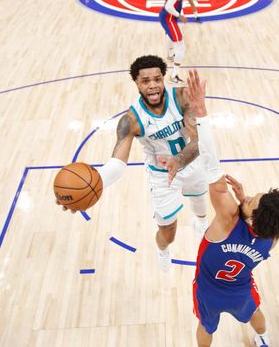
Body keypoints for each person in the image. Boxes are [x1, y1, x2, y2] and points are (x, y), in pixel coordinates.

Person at [169, 70, 279, 347]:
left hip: (209, 290)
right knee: (255, 314)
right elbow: (258, 223)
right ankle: (263, 340)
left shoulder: (227, 217)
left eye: (253, 198)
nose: (250, 194)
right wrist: (246, 202)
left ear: (250, 216)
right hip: (240, 288)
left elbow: (211, 164)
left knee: (205, 328)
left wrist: (202, 114)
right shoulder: (272, 238)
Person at [57, 55, 209, 271]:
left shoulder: (182, 97)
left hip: (189, 162)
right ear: (137, 83)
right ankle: (162, 251)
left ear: (163, 79)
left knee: (200, 201)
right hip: (162, 174)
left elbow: (197, 140)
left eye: (157, 79)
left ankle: (200, 223)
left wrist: (179, 159)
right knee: (168, 234)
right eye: (146, 81)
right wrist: (91, 185)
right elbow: (118, 163)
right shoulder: (131, 120)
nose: (153, 85)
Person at [158, 0, 190, 83]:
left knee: (171, 37)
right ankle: (174, 76)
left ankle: (170, 55)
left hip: (165, 17)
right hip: (169, 19)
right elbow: (168, 6)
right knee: (181, 47)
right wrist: (179, 16)